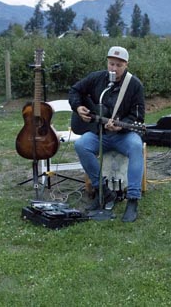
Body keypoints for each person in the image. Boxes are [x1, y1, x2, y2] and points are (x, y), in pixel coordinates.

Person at [68, 46, 145, 222]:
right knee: (81, 145)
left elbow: (138, 116)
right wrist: (78, 107)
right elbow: (75, 90)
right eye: (111, 64)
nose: (114, 68)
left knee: (135, 146)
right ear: (107, 63)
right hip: (98, 133)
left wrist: (121, 126)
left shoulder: (134, 85)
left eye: (119, 65)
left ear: (126, 65)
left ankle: (133, 199)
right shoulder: (96, 78)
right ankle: (102, 191)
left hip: (123, 135)